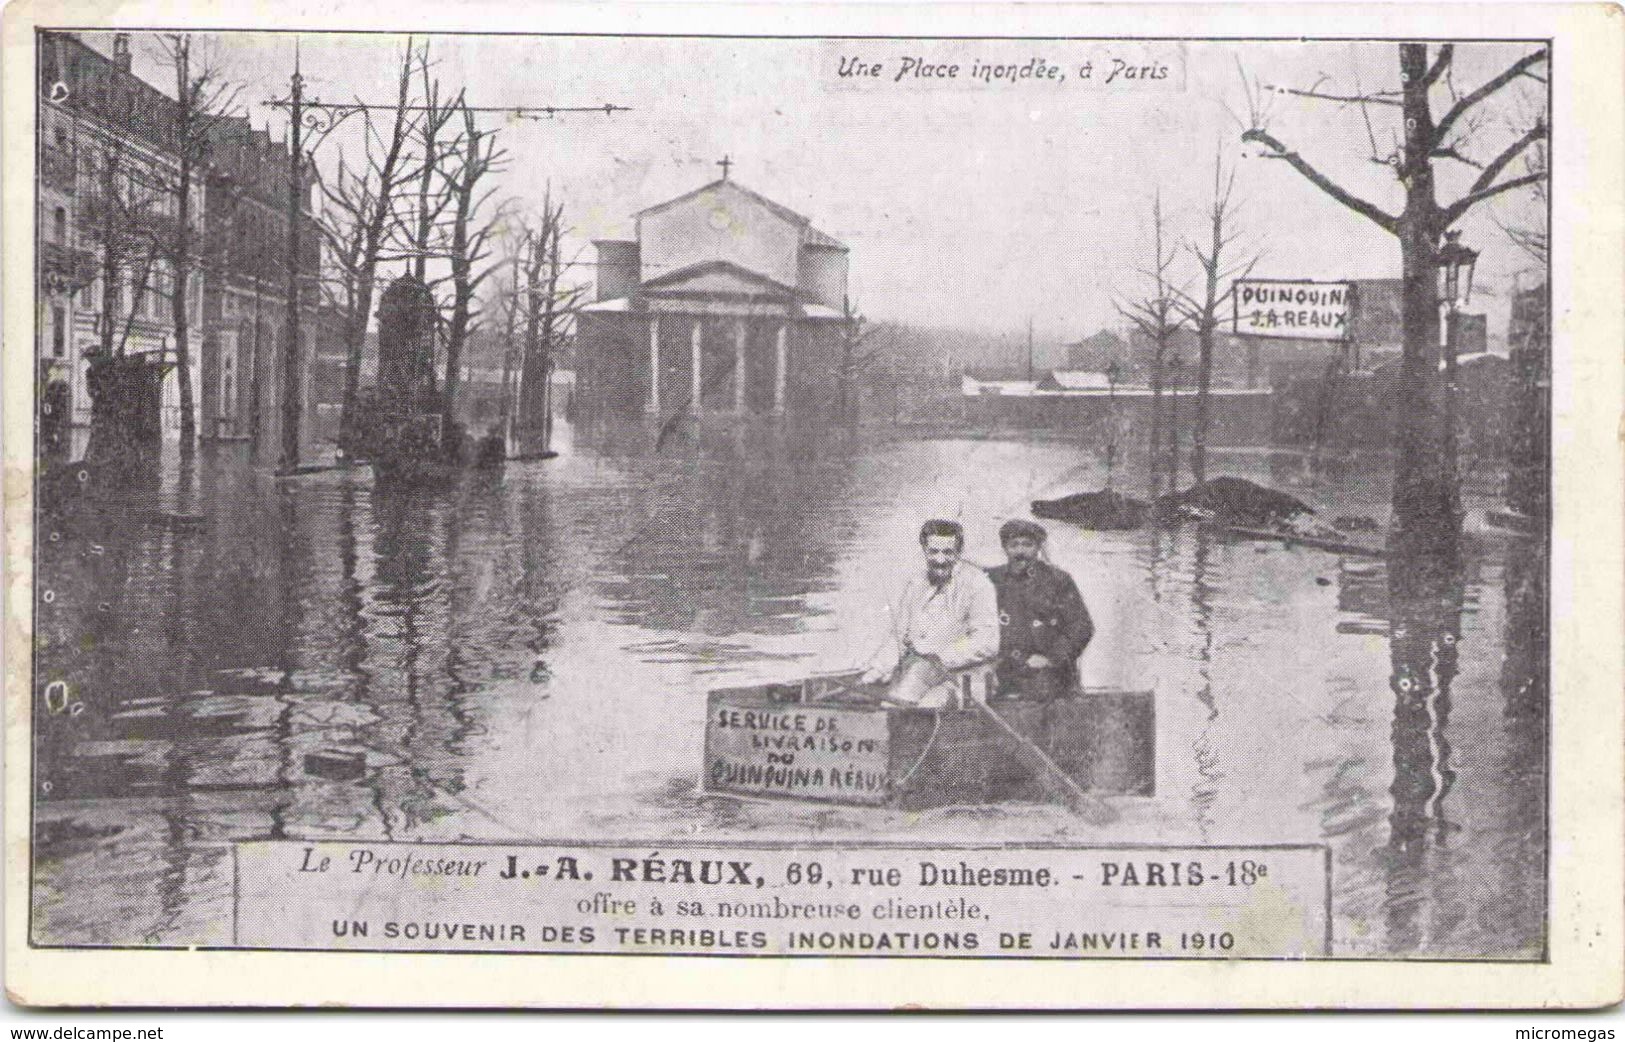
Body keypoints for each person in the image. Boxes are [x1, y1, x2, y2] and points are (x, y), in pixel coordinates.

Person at [860, 518, 999, 707]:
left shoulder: (978, 585)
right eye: (934, 551)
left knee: (924, 708)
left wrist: (941, 656)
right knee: (888, 704)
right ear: (925, 550)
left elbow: (986, 641)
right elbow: (899, 636)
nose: (940, 559)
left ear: (959, 553)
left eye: (948, 552)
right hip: (921, 670)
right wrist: (876, 670)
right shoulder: (916, 584)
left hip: (967, 675)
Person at [986, 518, 1093, 701]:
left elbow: (1081, 626)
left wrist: (1052, 658)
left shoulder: (1058, 580)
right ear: (1004, 548)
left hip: (1050, 674)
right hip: (1004, 674)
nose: (1020, 551)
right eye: (1014, 545)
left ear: (1038, 548)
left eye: (1028, 545)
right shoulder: (991, 580)